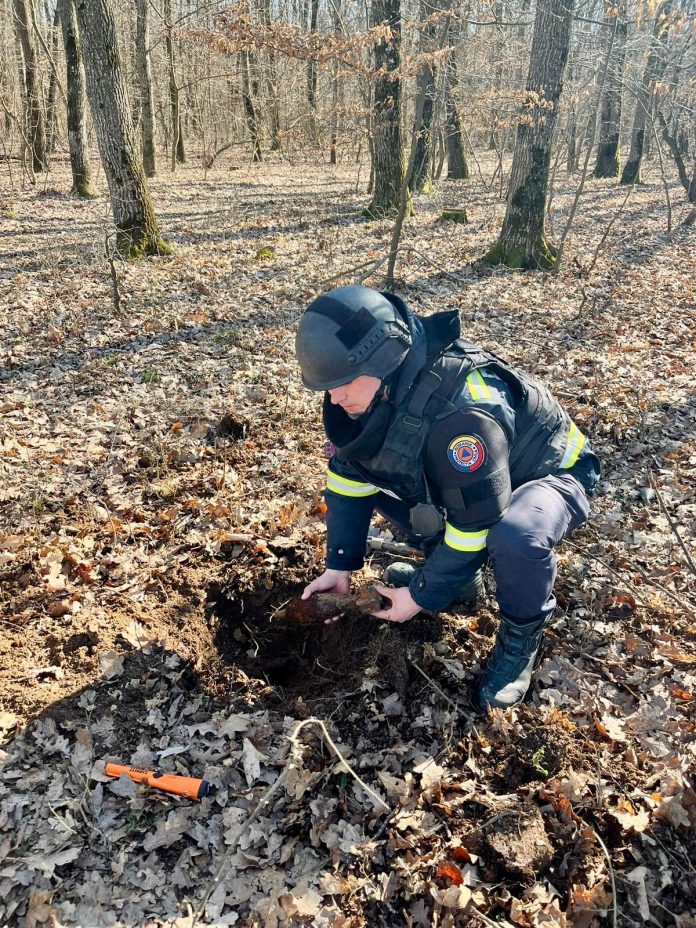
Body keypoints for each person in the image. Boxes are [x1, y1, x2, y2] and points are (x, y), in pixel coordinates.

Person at [296, 285, 600, 709]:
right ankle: (461, 584)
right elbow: (350, 476)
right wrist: (339, 563)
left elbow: (476, 524)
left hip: (548, 473)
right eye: (326, 387)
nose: (333, 397)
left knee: (516, 536)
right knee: (384, 480)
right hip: (475, 482)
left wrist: (421, 595)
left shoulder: (461, 414)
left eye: (341, 384)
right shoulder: (368, 393)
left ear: (382, 364)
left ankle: (520, 638)